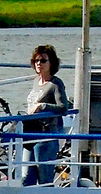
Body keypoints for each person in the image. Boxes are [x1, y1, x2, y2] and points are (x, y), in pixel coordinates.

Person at [22, 44, 71, 186]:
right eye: (36, 60)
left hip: (46, 136)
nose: (39, 64)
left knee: (45, 179)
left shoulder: (55, 84)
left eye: (43, 61)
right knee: (27, 178)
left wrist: (43, 106)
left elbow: (63, 108)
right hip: (31, 135)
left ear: (51, 63)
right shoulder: (36, 82)